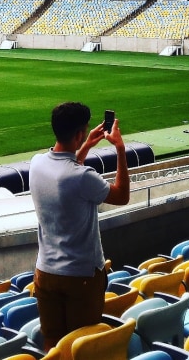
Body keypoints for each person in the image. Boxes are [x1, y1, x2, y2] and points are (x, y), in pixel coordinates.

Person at [29, 102, 129, 351]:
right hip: (81, 277)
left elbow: (67, 171)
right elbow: (122, 196)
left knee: (53, 346)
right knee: (82, 346)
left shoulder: (36, 163)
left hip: (45, 273)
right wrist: (120, 148)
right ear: (79, 133)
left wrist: (85, 147)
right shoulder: (82, 177)